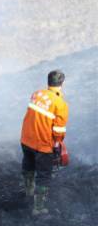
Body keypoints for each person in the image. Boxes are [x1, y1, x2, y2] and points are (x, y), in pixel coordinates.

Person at [20, 70, 69, 215]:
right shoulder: (60, 104)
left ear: (48, 81)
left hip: (26, 139)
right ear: (62, 83)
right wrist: (57, 145)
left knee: (28, 164)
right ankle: (38, 207)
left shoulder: (37, 94)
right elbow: (59, 131)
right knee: (44, 175)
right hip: (42, 145)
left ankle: (28, 190)